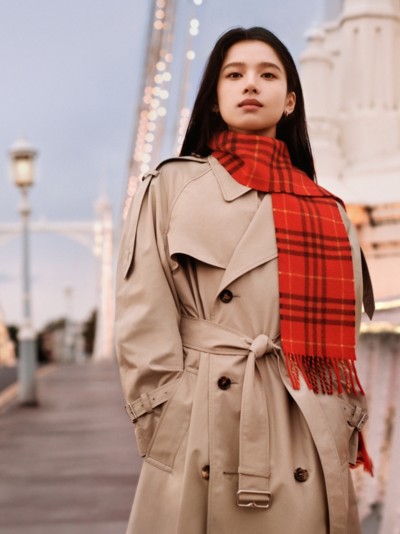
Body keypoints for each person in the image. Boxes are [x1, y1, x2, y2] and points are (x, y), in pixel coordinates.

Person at [115, 26, 374, 534]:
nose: (250, 84)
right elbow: (142, 313)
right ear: (215, 98)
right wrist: (166, 422)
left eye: (267, 74)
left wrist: (339, 425)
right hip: (201, 424)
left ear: (291, 100)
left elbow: (342, 344)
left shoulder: (329, 212)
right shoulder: (171, 186)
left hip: (302, 419)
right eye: (234, 74)